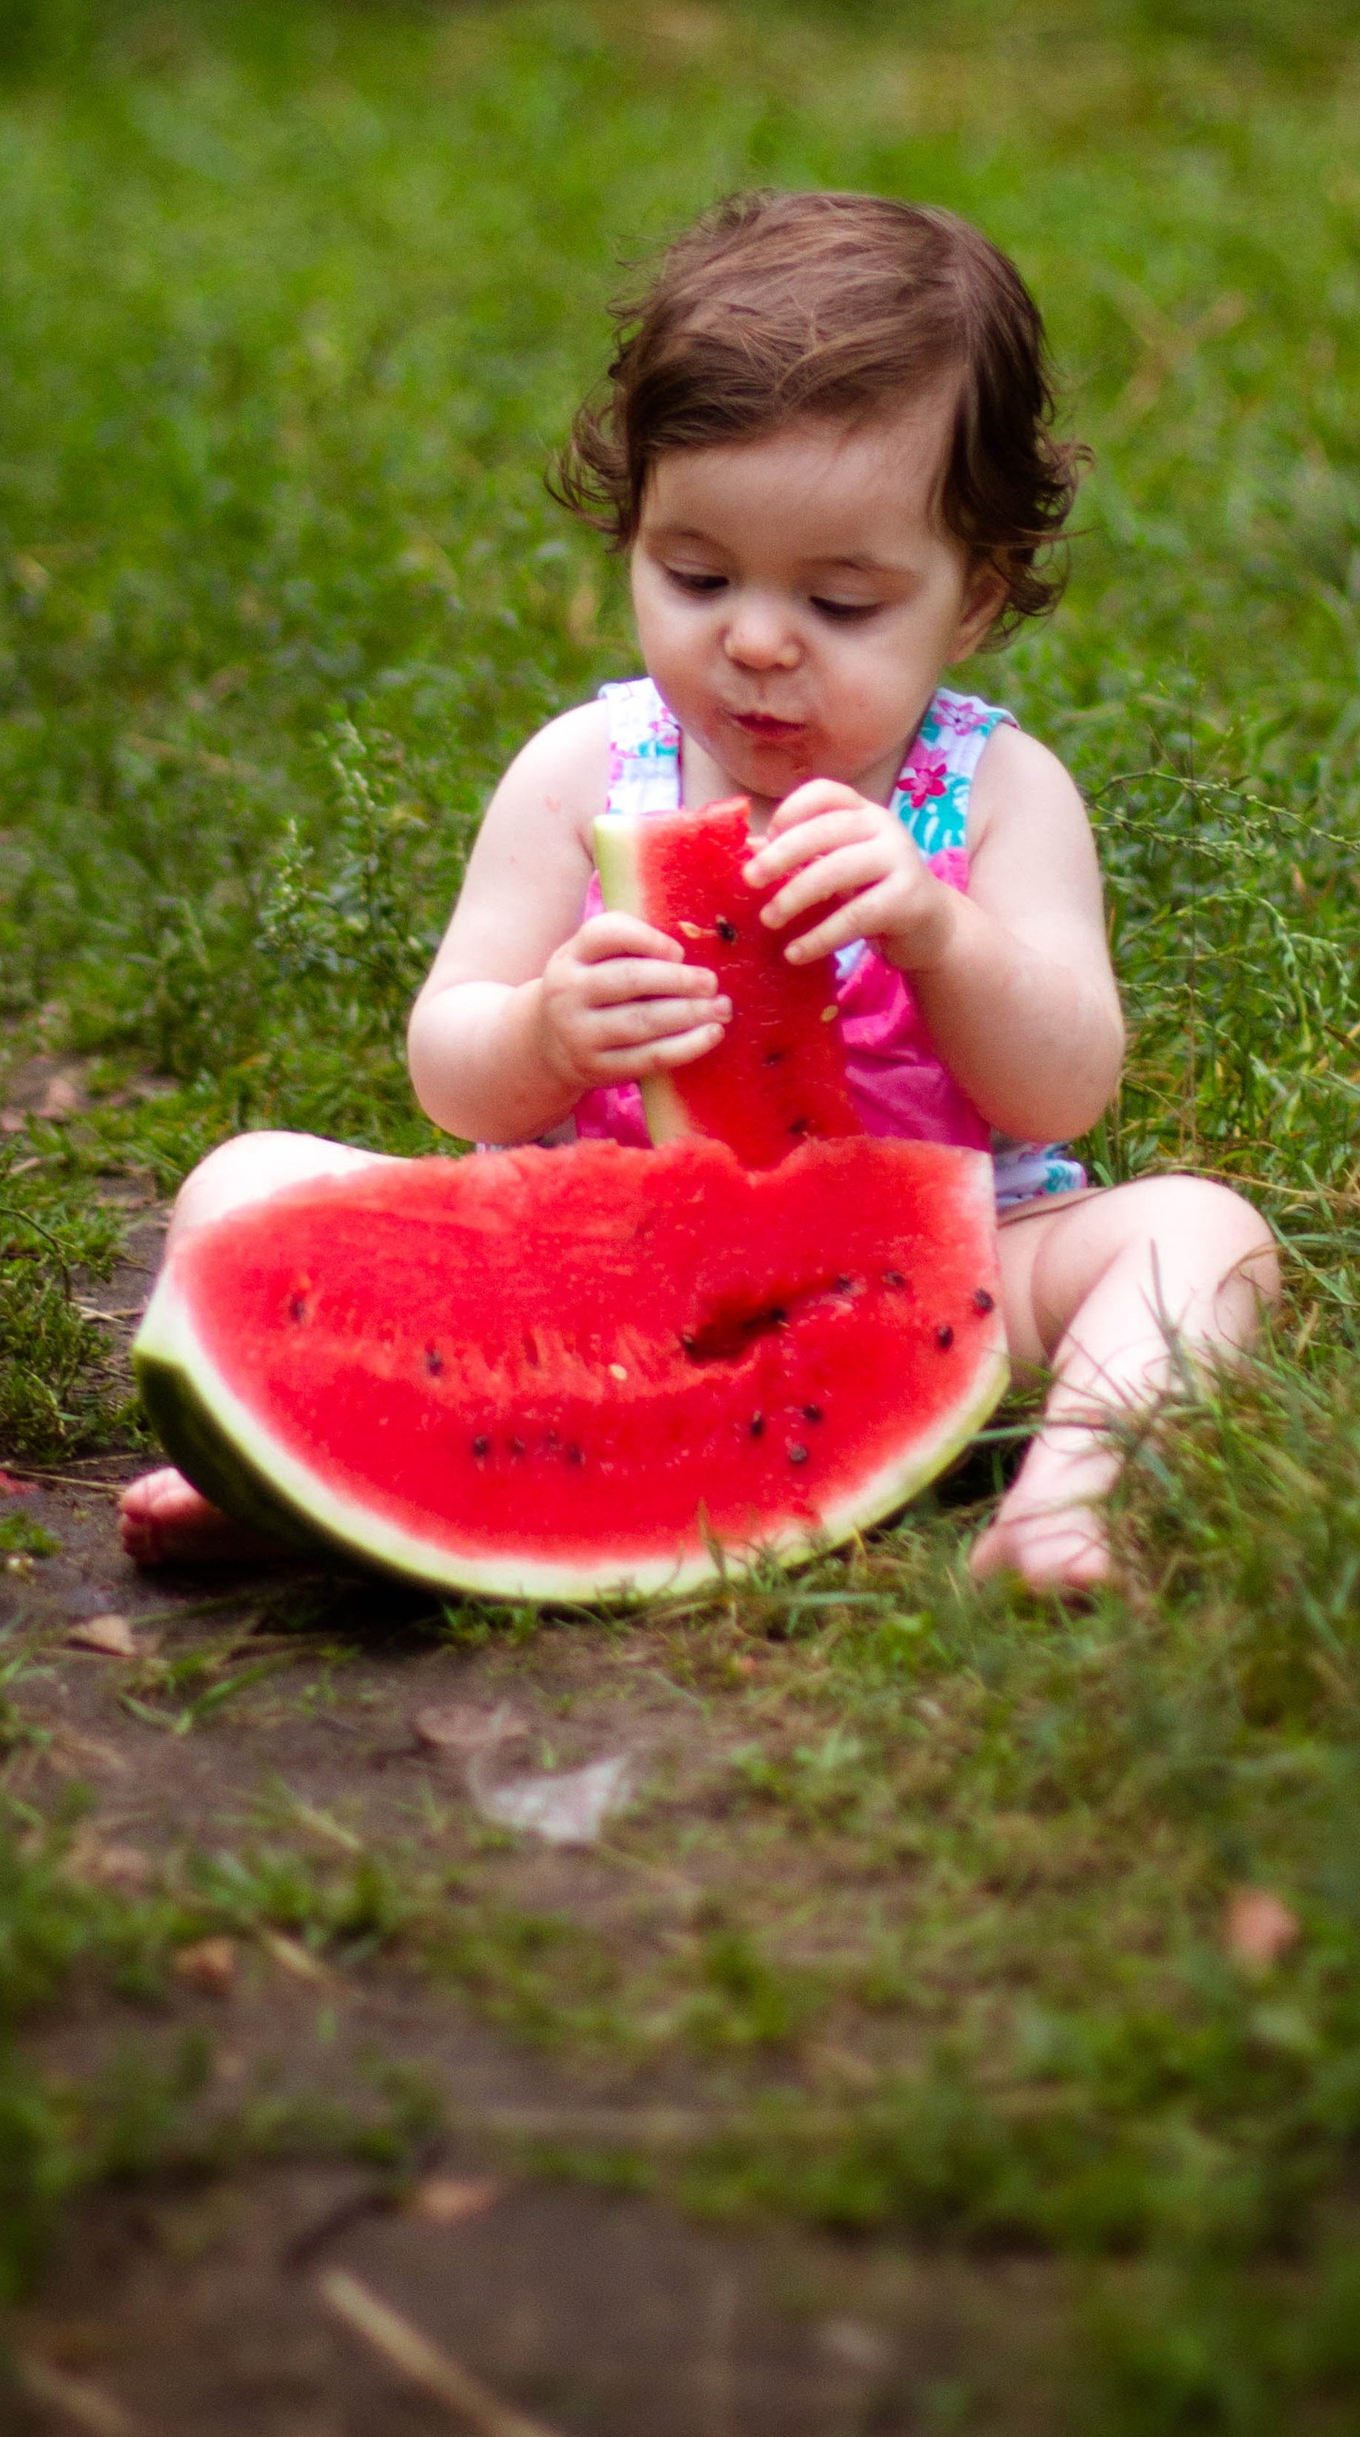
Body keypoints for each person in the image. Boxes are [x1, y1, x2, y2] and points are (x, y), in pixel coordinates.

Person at [120, 189, 1277, 1593]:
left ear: (972, 600)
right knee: (246, 1184)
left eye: (841, 604)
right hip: (589, 1268)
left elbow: (1065, 1090)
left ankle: (1071, 1497)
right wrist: (544, 1032)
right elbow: (451, 1071)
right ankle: (310, 1460)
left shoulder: (999, 792)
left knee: (1200, 1234)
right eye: (695, 574)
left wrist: (938, 930)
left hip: (937, 1267)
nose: (756, 643)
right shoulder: (588, 771)